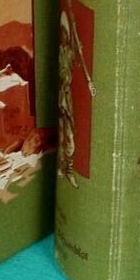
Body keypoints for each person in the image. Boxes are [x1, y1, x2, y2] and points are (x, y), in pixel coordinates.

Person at [58, 11, 79, 188]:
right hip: (59, 97)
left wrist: (77, 46)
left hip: (67, 97)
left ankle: (69, 169)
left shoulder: (70, 51)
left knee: (70, 138)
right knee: (60, 136)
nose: (64, 36)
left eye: (66, 34)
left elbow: (76, 63)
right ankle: (61, 167)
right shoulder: (60, 52)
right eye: (62, 33)